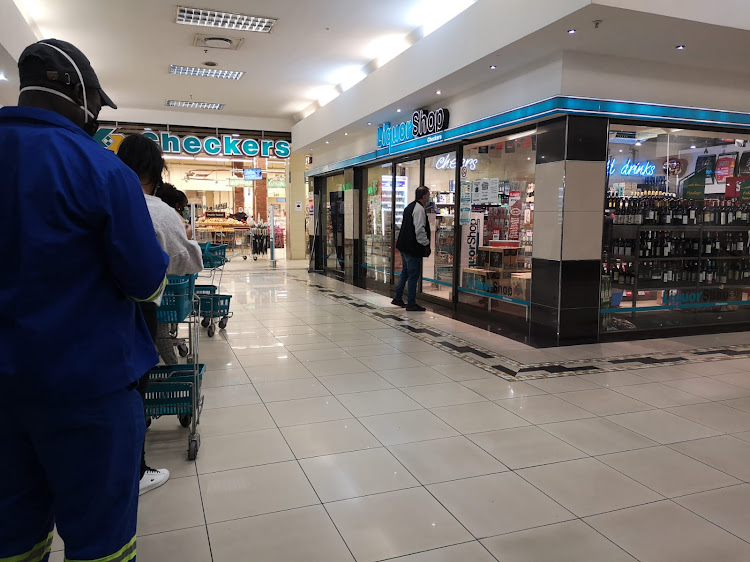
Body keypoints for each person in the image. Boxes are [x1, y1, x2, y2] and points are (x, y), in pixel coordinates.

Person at [0, 39, 169, 562]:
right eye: (95, 105)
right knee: (101, 540)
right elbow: (145, 280)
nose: (96, 117)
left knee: (12, 534)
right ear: (77, 94)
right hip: (86, 384)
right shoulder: (99, 170)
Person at [117, 134, 204, 495]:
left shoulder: (95, 197)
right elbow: (187, 261)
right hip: (137, 310)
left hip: (86, 313)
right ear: (155, 171)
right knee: (133, 388)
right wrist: (187, 238)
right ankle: (133, 471)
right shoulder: (157, 209)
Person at [392, 186, 432, 311]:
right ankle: (411, 302)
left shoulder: (409, 206)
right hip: (413, 247)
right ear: (424, 196)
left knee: (405, 272)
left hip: (404, 245)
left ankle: (398, 297)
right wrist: (425, 244)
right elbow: (419, 229)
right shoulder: (419, 209)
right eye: (428, 195)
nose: (429, 198)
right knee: (413, 275)